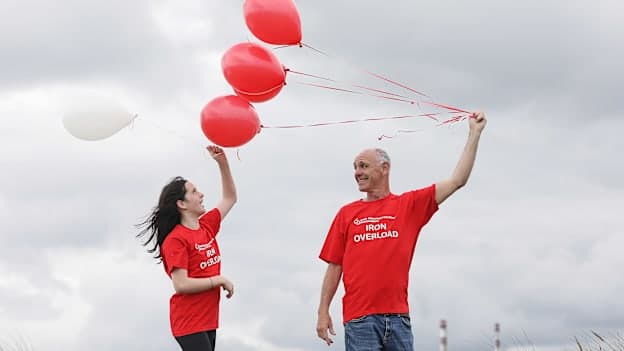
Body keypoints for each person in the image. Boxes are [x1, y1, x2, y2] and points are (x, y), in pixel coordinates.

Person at [316, 112, 487, 350]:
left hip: (398, 320)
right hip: (360, 321)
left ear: (384, 168)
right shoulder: (346, 214)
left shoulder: (409, 206)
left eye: (364, 166)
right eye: (355, 167)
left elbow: (457, 180)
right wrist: (323, 311)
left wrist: (474, 134)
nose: (357, 172)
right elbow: (334, 265)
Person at [137, 145, 237, 351]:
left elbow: (230, 198)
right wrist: (219, 280)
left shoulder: (207, 225)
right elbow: (181, 285)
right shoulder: (176, 239)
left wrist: (223, 164)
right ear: (181, 204)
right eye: (194, 192)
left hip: (208, 318)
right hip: (189, 321)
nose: (201, 195)